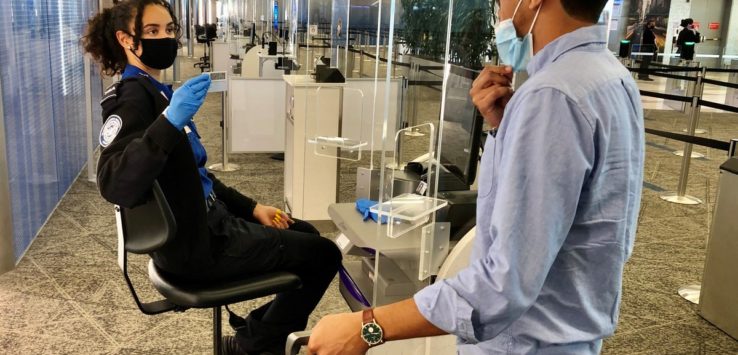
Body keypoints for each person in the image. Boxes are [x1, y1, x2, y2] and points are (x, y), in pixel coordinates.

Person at [307, 0, 644, 354]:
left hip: (524, 343)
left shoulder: (550, 95)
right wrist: (506, 126)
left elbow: (503, 283)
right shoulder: (611, 77)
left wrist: (368, 327)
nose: (500, 9)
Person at [82, 1, 342, 354]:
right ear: (127, 40)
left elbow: (196, 176)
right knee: (324, 254)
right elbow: (114, 182)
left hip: (209, 220)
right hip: (199, 247)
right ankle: (254, 344)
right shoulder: (131, 100)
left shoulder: (157, 92)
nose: (167, 38)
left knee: (306, 232)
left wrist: (251, 208)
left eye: (170, 29)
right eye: (153, 31)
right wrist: (169, 122)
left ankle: (256, 333)